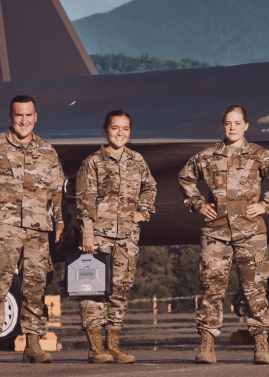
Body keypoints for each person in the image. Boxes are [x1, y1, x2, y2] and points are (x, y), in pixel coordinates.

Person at [178, 105, 269, 365]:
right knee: (212, 289)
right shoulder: (207, 156)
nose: (232, 127)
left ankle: (261, 344)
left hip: (250, 232)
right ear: (223, 125)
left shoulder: (258, 155)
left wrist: (266, 205)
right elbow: (185, 178)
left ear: (246, 126)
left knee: (255, 289)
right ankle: (207, 345)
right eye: (228, 123)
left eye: (237, 123)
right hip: (215, 232)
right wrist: (198, 204)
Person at [0, 95, 66, 364]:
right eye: (18, 115)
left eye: (28, 115)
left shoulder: (48, 151)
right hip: (3, 229)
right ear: (10, 117)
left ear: (36, 118)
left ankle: (33, 345)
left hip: (37, 231)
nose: (24, 120)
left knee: (36, 288)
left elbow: (57, 192)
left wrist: (58, 223)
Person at [75, 109, 158, 364]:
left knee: (120, 290)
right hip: (99, 236)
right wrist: (87, 233)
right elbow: (84, 200)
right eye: (115, 128)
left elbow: (150, 187)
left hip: (127, 237)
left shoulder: (137, 160)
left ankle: (113, 346)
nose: (120, 133)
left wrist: (143, 211)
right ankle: (95, 347)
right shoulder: (92, 162)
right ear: (105, 130)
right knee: (93, 290)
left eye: (125, 129)